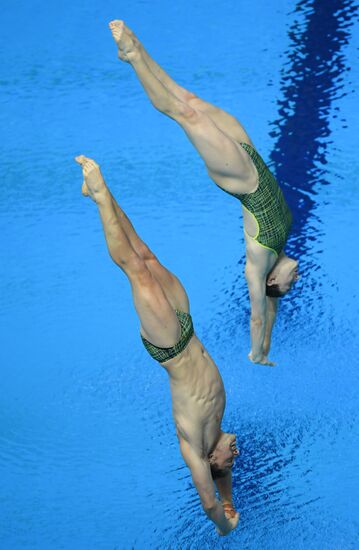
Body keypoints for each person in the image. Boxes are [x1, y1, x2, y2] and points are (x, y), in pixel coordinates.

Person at [108, 20, 299, 367]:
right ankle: (134, 50)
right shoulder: (281, 250)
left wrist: (257, 353)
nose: (294, 281)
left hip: (242, 178)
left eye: (287, 285)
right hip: (251, 156)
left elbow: (259, 314)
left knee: (184, 114)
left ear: (272, 279)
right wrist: (269, 342)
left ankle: (134, 56)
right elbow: (272, 311)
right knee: (189, 99)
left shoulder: (259, 267)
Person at [75, 155, 240, 536]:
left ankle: (100, 196)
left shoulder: (196, 446)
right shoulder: (217, 429)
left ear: (213, 459)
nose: (236, 453)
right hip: (186, 326)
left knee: (135, 270)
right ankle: (98, 194)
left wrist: (222, 522)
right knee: (146, 255)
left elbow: (208, 501)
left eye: (231, 458)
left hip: (169, 345)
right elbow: (224, 483)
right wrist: (230, 500)